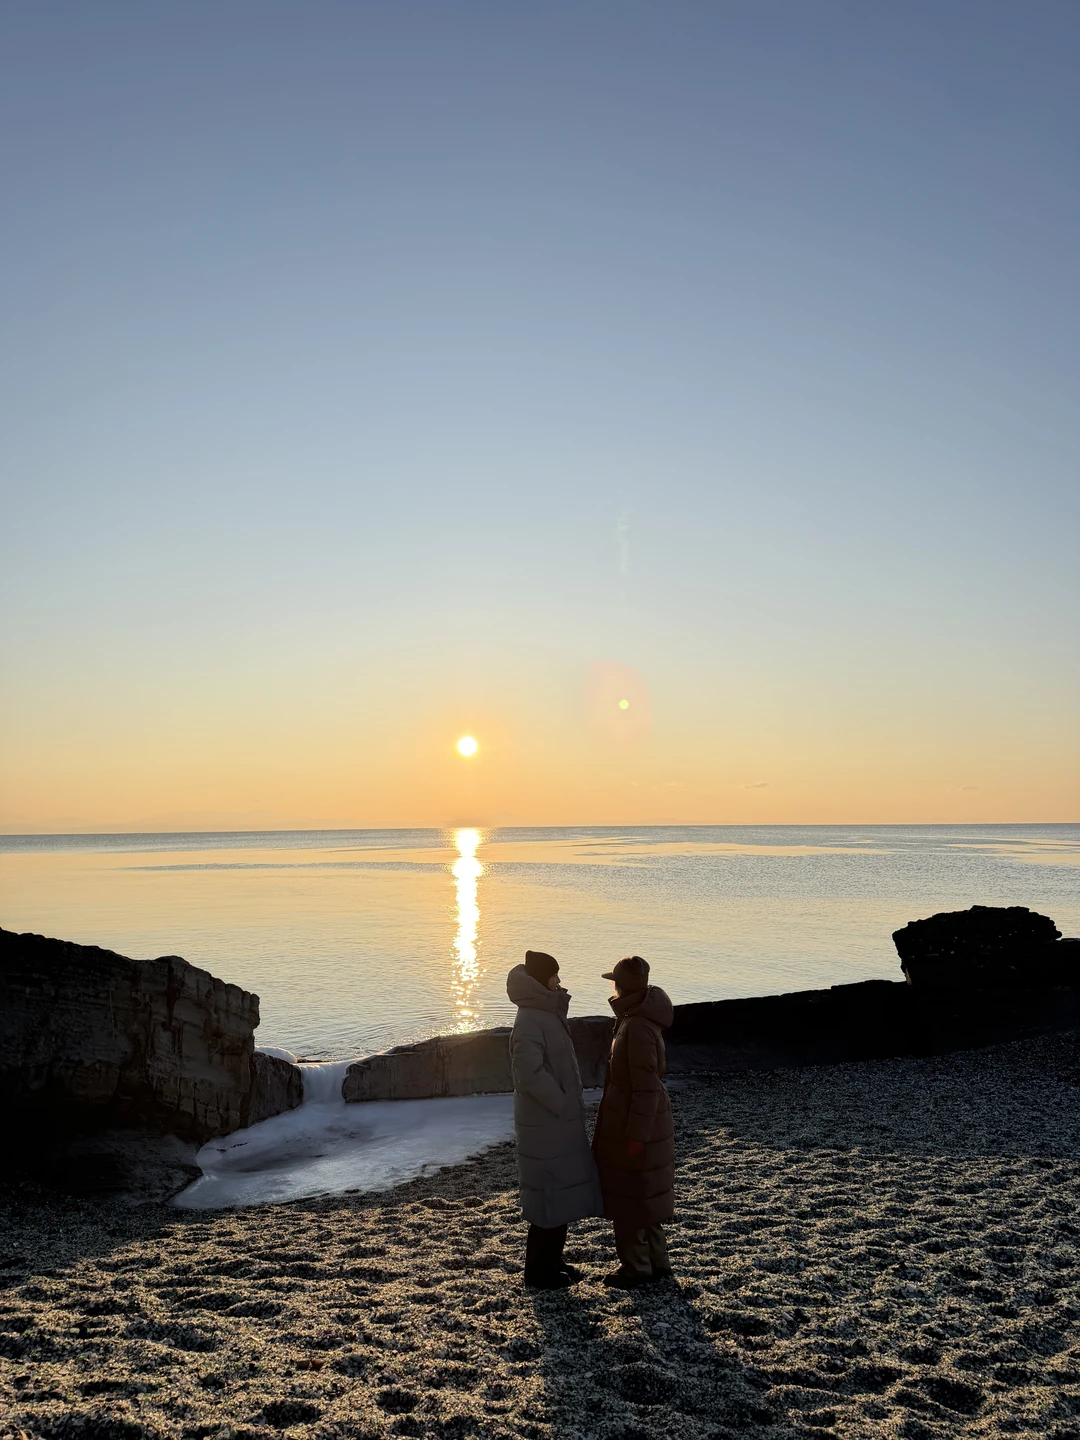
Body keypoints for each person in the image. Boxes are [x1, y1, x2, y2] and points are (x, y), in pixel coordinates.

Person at [507, 948, 603, 1289]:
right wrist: (561, 1103)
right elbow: (528, 1073)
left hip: (555, 1122)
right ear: (541, 980)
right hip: (545, 1123)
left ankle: (553, 1261)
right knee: (548, 1198)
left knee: (558, 1197)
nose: (559, 981)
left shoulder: (544, 1012)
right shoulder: (531, 1017)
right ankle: (538, 1272)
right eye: (554, 976)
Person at [592, 954, 676, 1289]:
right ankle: (658, 1261)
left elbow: (645, 1086)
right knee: (644, 1195)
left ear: (622, 985)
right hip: (637, 1119)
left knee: (629, 1196)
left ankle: (637, 1267)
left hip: (635, 1121)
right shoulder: (636, 1016)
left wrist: (635, 1136)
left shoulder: (636, 1025)